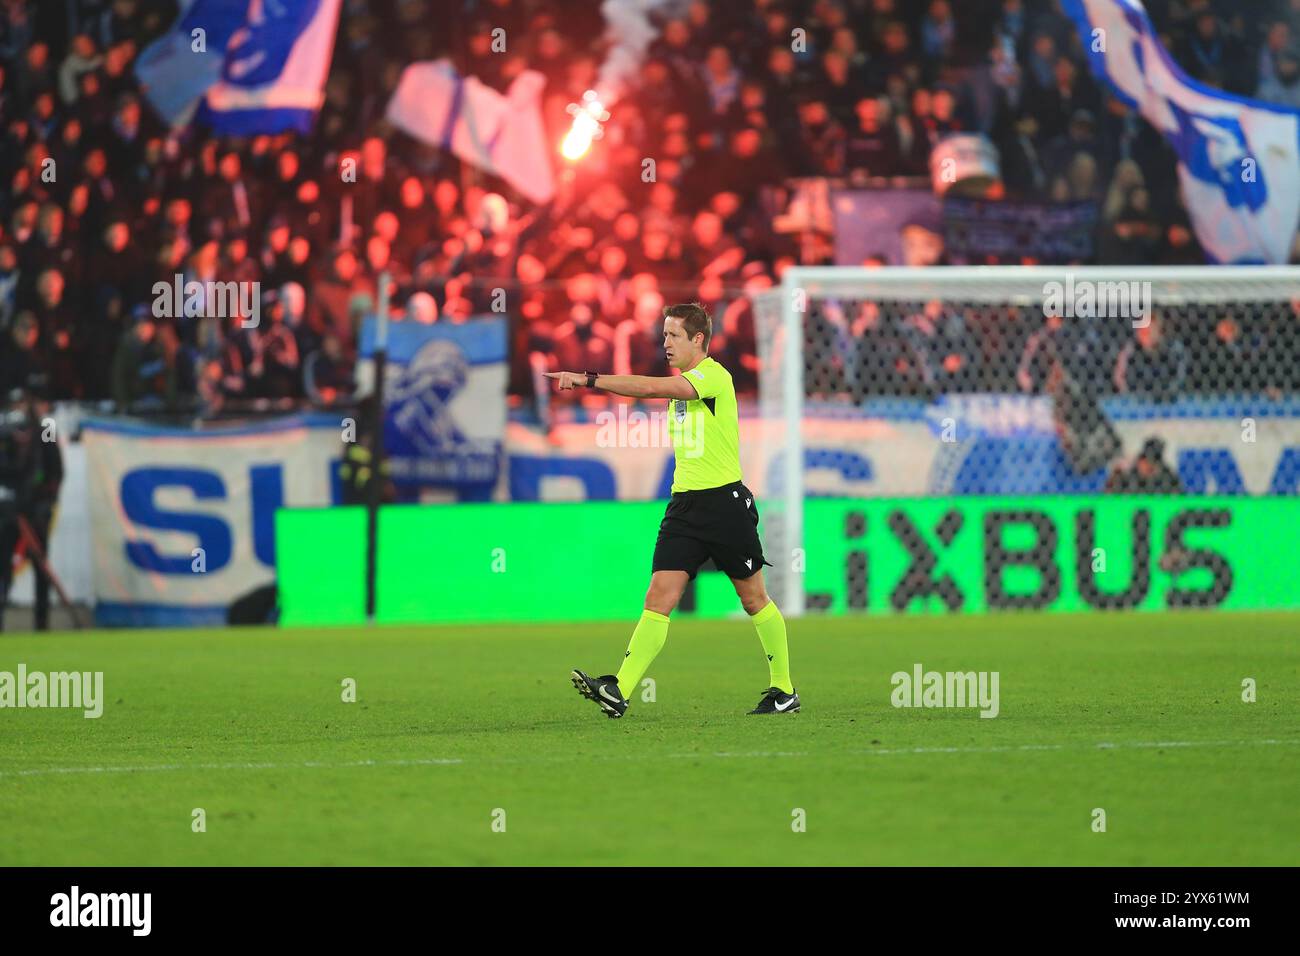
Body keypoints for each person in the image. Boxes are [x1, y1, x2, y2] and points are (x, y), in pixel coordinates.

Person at [546, 302, 797, 718]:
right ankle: (620, 689)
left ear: (698, 339)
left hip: (724, 504)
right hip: (684, 505)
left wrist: (587, 379)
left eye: (673, 335)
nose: (665, 343)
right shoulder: (682, 384)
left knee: (753, 598)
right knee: (658, 596)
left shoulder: (715, 377)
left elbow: (648, 388)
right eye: (663, 335)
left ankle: (784, 690)